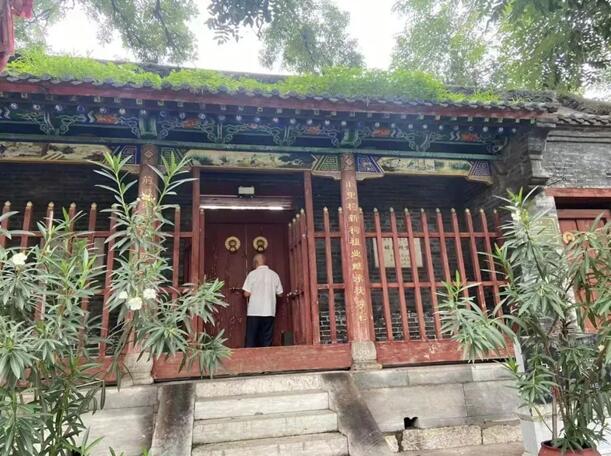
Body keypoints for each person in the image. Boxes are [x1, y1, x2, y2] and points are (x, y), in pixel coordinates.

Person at [242, 253, 283, 348]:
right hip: (269, 312)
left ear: (255, 263)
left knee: (251, 339)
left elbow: (246, 294)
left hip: (254, 312)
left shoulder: (252, 274)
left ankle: (249, 355)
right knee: (266, 339)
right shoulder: (274, 275)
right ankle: (266, 355)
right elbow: (280, 293)